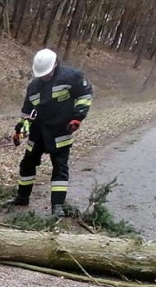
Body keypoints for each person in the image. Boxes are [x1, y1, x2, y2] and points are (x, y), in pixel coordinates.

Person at [10, 48, 93, 216]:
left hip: (60, 131)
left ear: (55, 64)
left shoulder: (71, 77)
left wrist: (78, 117)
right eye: (42, 75)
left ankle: (57, 206)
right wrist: (19, 131)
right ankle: (22, 198)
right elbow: (27, 113)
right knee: (27, 165)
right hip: (37, 133)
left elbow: (85, 95)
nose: (45, 77)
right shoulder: (34, 86)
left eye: (47, 74)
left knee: (60, 168)